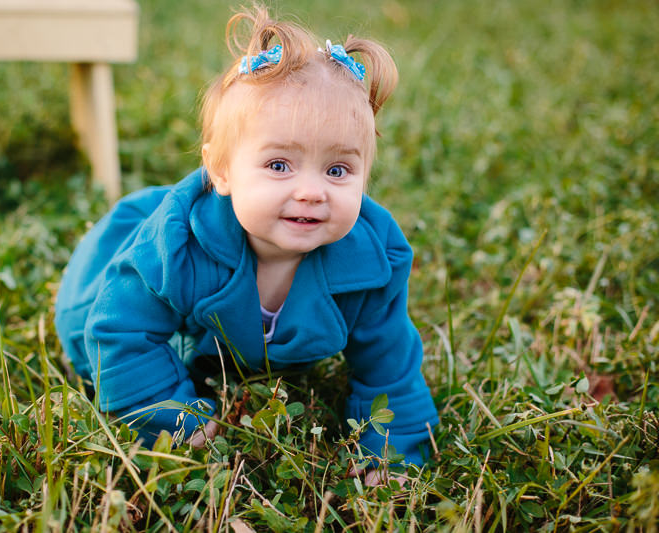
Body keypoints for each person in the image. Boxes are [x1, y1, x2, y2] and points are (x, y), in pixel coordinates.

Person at [54, 5, 438, 485]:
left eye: (337, 170)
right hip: (109, 294)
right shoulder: (178, 247)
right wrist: (173, 420)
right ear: (221, 171)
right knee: (87, 332)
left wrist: (391, 453)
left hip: (241, 342)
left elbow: (390, 365)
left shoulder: (371, 261)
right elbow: (120, 330)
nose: (312, 191)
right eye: (280, 165)